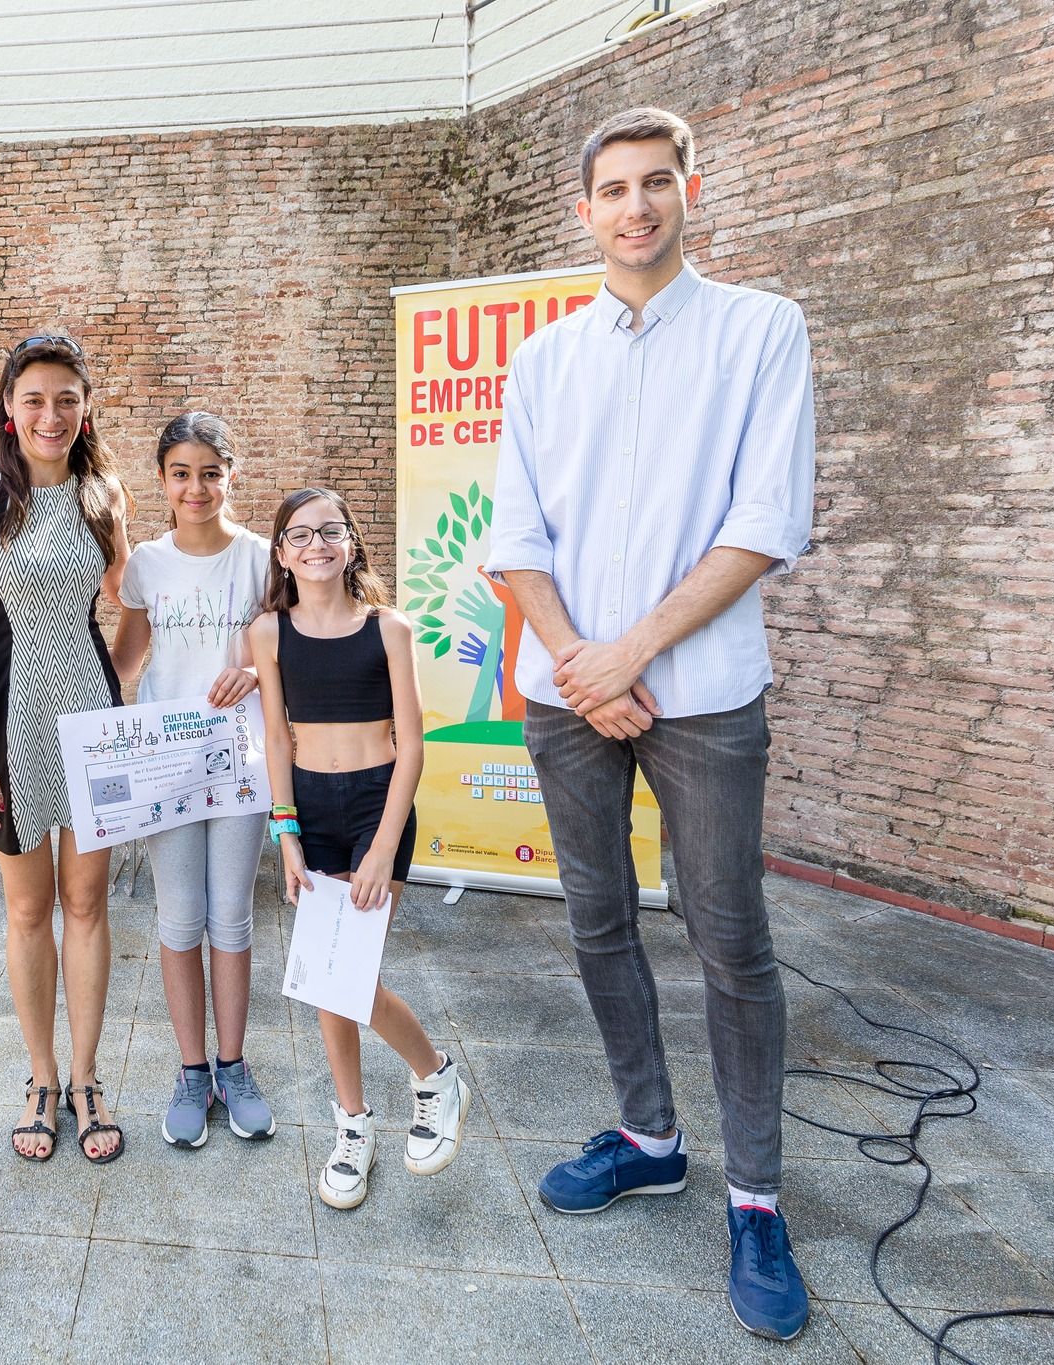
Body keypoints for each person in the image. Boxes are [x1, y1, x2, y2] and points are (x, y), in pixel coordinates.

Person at [483, 107, 817, 1341]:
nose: (633, 207)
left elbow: (764, 518)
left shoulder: (757, 332)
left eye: (654, 184)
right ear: (582, 210)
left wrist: (631, 653)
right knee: (596, 920)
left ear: (688, 193)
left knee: (730, 938)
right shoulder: (541, 359)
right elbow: (513, 541)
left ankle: (753, 1196)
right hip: (567, 690)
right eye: (611, 189)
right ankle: (649, 1134)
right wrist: (581, 664)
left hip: (703, 691)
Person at [247, 487, 471, 1210]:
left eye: (331, 531)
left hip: (379, 804)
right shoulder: (268, 633)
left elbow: (413, 747)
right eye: (300, 534)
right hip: (309, 808)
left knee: (347, 970)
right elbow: (277, 738)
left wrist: (381, 849)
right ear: (281, 552)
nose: (316, 544)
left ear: (352, 545)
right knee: (324, 977)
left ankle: (434, 1073)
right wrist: (285, 833)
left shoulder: (390, 628)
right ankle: (355, 1124)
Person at [0, 333, 130, 1164]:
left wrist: (112, 694)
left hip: (91, 727)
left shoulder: (103, 494)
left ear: (86, 408)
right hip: (6, 726)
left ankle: (88, 1080)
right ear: (9, 409)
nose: (50, 413)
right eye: (34, 398)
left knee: (88, 906)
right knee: (26, 910)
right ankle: (41, 1078)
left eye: (66, 398)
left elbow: (134, 607)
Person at [109, 412, 275, 1148]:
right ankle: (191, 1069)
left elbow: (281, 653)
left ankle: (234, 1065)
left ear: (230, 475)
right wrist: (99, 741)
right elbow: (125, 663)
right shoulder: (147, 563)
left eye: (211, 472)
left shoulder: (261, 559)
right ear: (164, 481)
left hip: (239, 763)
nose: (197, 486)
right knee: (178, 920)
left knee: (230, 918)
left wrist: (254, 670)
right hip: (166, 768)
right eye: (182, 473)